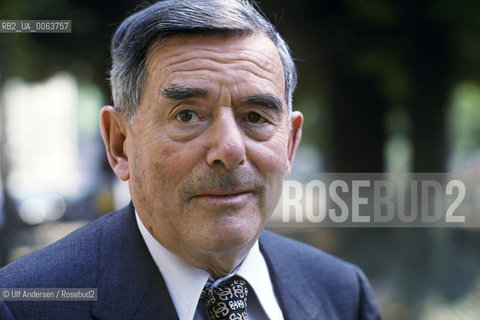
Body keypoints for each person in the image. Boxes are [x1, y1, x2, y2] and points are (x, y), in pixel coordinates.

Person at [0, 0, 381, 319]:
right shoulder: (25, 305)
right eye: (187, 115)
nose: (229, 151)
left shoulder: (343, 294)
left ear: (290, 144)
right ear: (120, 143)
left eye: (255, 117)